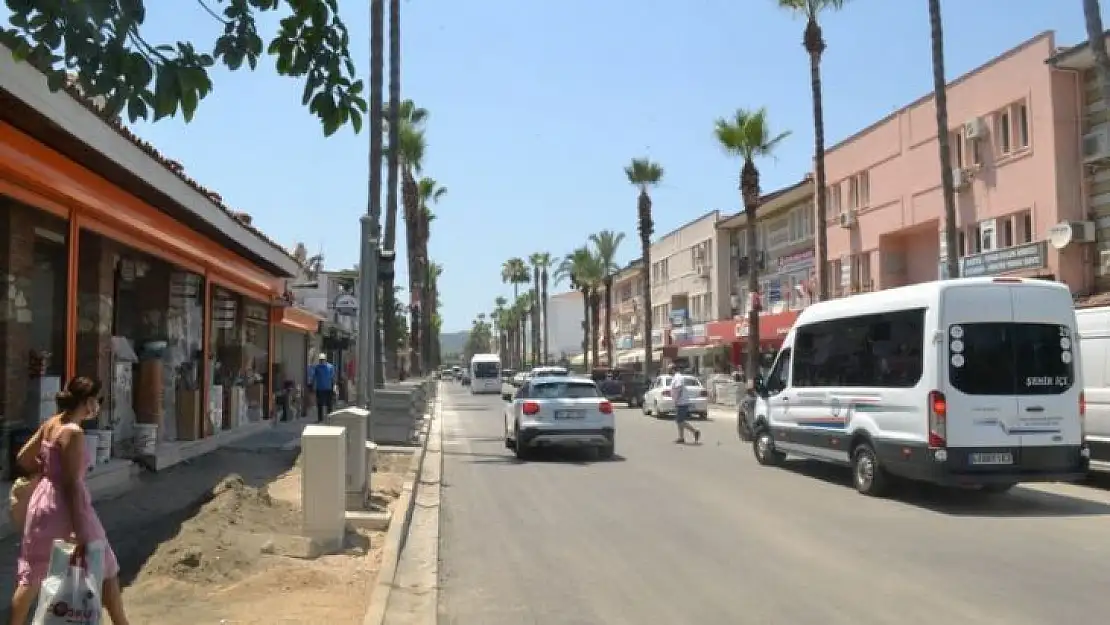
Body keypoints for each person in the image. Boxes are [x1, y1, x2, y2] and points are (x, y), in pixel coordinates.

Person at [10, 377, 130, 625]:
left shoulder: (52, 424)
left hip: (42, 503)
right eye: (98, 400)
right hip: (65, 507)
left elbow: (23, 458)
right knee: (105, 564)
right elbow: (73, 486)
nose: (99, 406)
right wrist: (82, 531)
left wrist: (48, 470)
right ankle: (121, 623)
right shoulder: (73, 433)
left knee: (33, 571)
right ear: (88, 402)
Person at [669, 365, 701, 445]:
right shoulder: (676, 377)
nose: (668, 371)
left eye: (669, 369)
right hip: (681, 401)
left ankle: (695, 431)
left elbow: (679, 388)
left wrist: (676, 399)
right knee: (680, 421)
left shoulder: (678, 377)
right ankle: (681, 437)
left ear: (673, 370)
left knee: (679, 421)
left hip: (681, 402)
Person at [310, 353, 336, 422]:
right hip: (320, 389)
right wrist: (312, 386)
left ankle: (330, 418)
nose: (321, 361)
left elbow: (333, 378)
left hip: (328, 389)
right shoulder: (317, 367)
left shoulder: (330, 367)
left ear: (325, 360)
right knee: (319, 404)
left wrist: (334, 387)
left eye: (323, 360)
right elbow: (314, 377)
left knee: (329, 404)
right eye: (320, 360)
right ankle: (320, 419)